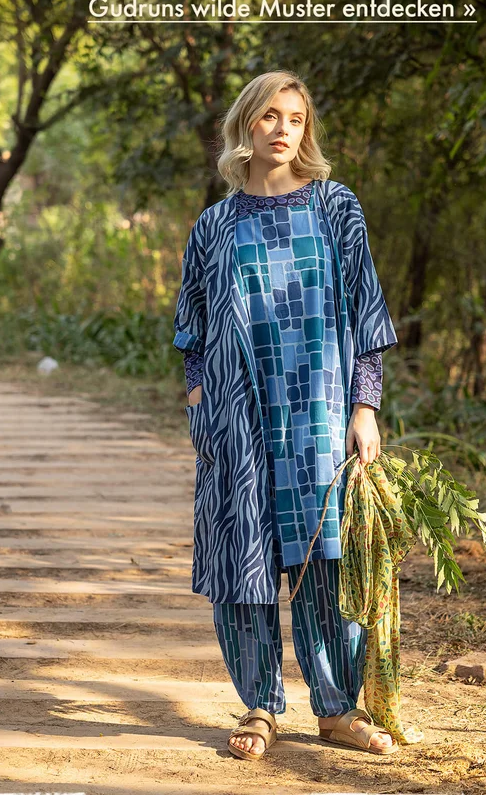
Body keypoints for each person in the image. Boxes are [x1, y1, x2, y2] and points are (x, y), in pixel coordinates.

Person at [172, 70, 399, 760]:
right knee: (244, 564)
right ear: (245, 125)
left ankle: (336, 710)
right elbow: (193, 326)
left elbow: (365, 313)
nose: (281, 129)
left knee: (326, 562)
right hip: (238, 418)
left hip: (318, 415)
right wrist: (199, 399)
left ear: (306, 131)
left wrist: (365, 407)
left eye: (294, 119)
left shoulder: (336, 208)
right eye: (269, 115)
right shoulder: (215, 225)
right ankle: (260, 705)